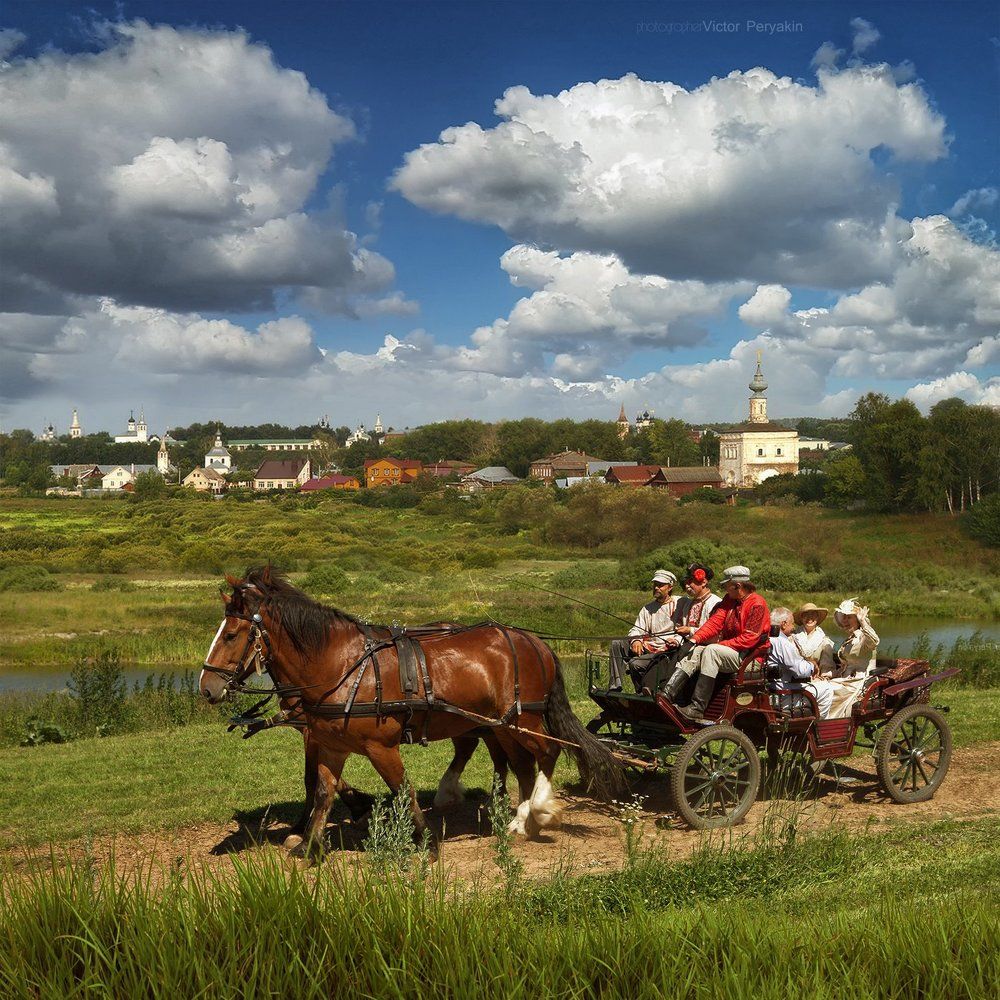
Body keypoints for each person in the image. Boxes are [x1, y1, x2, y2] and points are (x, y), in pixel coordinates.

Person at [662, 565, 770, 721]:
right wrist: (694, 639)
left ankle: (697, 708)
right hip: (732, 652)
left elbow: (749, 638)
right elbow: (714, 623)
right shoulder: (729, 600)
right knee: (698, 649)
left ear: (737, 585)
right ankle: (667, 694)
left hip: (750, 658)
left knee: (711, 650)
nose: (725, 589)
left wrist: (721, 645)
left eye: (727, 585)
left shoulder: (757, 604)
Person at [638, 563, 722, 693]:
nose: (687, 586)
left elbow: (715, 632)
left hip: (706, 647)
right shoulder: (688, 603)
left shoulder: (715, 603)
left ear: (704, 582)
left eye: (691, 582)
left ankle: (664, 692)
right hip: (686, 644)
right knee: (662, 656)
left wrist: (690, 631)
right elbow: (680, 628)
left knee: (679, 654)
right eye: (686, 583)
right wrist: (676, 640)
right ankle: (649, 690)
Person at [607, 569, 679, 691]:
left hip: (666, 651)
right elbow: (636, 628)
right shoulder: (647, 608)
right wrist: (636, 640)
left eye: (660, 585)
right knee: (616, 643)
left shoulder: (680, 603)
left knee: (635, 663)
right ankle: (615, 685)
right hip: (647, 647)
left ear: (670, 587)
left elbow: (686, 627)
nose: (656, 588)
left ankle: (643, 691)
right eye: (655, 584)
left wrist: (676, 640)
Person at [767, 607, 833, 718]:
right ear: (784, 624)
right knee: (827, 690)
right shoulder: (782, 642)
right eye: (792, 623)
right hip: (785, 695)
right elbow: (801, 671)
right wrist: (812, 666)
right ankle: (818, 726)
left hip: (772, 691)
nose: (793, 627)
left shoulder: (768, 638)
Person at [827, 598, 880, 719]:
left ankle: (831, 727)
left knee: (826, 692)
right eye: (843, 617)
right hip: (846, 681)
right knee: (820, 686)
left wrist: (863, 622)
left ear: (857, 619)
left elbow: (875, 641)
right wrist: (830, 675)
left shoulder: (863, 637)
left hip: (861, 683)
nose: (845, 621)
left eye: (849, 617)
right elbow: (847, 666)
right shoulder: (849, 639)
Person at [792, 603, 836, 677]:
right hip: (794, 676)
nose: (810, 618)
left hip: (815, 677)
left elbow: (826, 667)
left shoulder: (824, 641)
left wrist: (822, 677)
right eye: (806, 615)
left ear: (817, 618)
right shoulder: (792, 637)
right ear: (801, 618)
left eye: (813, 614)